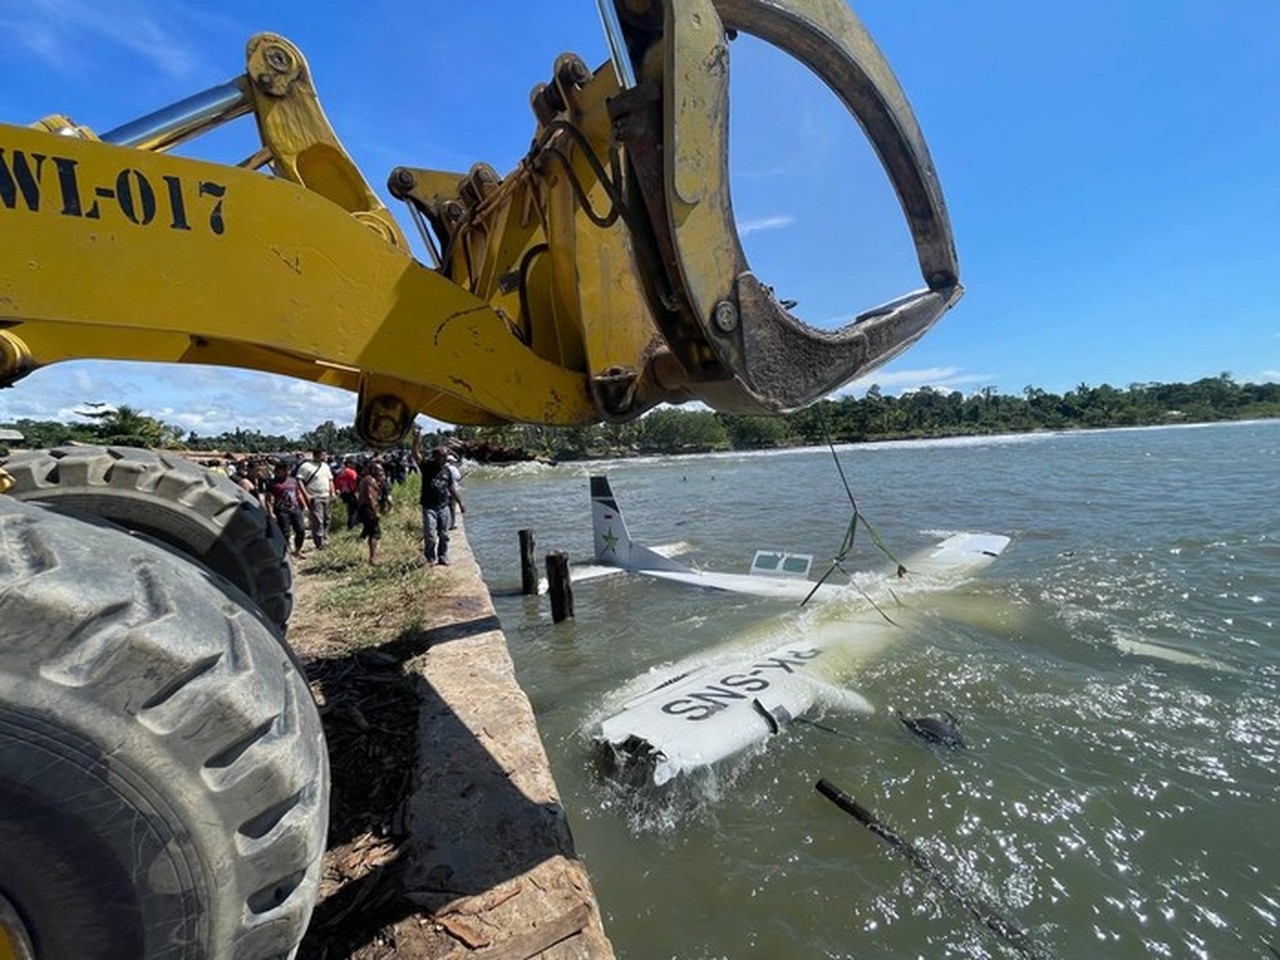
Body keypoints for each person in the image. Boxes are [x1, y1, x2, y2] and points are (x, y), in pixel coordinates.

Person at [411, 427, 464, 565]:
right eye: (442, 456)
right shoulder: (427, 467)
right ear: (435, 457)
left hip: (443, 506)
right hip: (429, 507)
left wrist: (460, 503)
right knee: (430, 535)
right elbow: (416, 454)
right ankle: (430, 557)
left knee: (444, 534)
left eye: (446, 456)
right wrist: (417, 439)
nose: (445, 458)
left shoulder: (446, 470)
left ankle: (443, 556)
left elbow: (451, 487)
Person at [267, 460, 310, 558]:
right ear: (279, 471)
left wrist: (303, 504)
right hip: (281, 510)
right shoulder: (273, 483)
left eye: (289, 470)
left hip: (295, 508)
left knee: (301, 530)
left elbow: (298, 493)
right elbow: (268, 499)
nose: (288, 472)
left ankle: (298, 550)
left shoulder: (293, 480)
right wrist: (271, 513)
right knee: (285, 533)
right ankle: (286, 553)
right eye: (285, 470)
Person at [296, 448, 335, 549]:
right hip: (315, 496)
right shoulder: (306, 466)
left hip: (326, 495)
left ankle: (325, 538)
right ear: (316, 455)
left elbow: (330, 480)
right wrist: (306, 495)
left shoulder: (326, 466)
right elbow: (300, 481)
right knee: (318, 520)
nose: (325, 457)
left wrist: (333, 493)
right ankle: (319, 542)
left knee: (327, 519)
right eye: (323, 455)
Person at [356, 461, 386, 565]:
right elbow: (370, 497)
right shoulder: (369, 480)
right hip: (367, 509)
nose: (381, 472)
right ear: (373, 470)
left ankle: (370, 553)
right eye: (379, 470)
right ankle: (373, 558)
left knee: (370, 531)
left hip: (365, 508)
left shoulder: (371, 480)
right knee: (375, 533)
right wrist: (375, 512)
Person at [334, 457, 360, 529]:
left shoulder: (341, 472)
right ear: (349, 464)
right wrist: (356, 492)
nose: (355, 466)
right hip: (352, 493)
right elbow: (355, 482)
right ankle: (352, 526)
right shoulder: (352, 472)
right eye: (353, 464)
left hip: (344, 493)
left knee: (350, 510)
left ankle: (351, 524)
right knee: (353, 511)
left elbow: (337, 483)